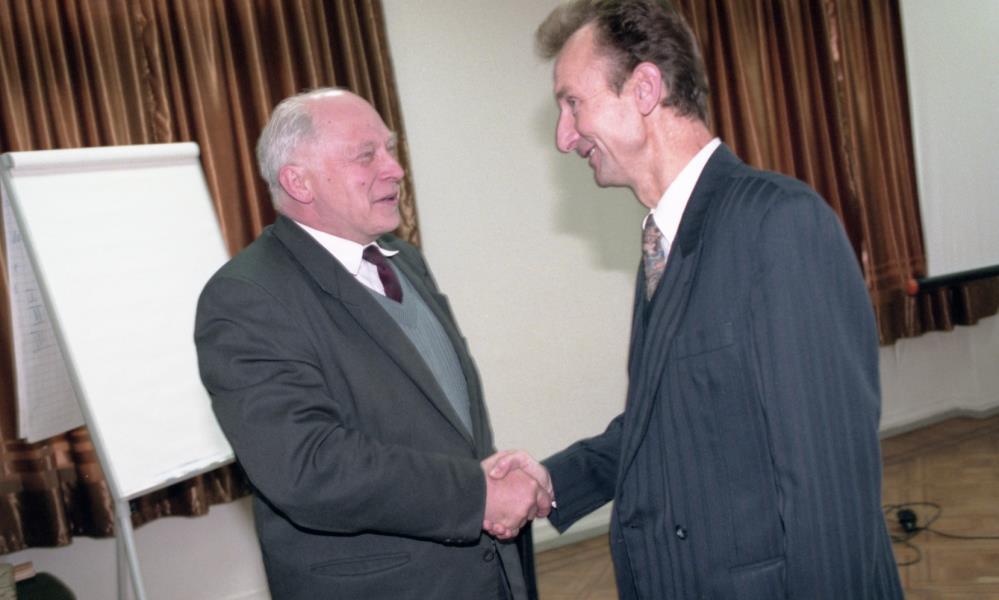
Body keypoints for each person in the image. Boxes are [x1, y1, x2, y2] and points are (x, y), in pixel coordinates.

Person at [490, 1, 904, 598]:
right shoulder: (664, 240)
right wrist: (553, 480)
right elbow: (671, 420)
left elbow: (830, 487)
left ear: (645, 89)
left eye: (573, 103)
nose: (563, 137)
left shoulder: (780, 225)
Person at [194, 88, 549, 600]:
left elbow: (439, 413)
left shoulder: (404, 260)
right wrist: (476, 495)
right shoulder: (246, 296)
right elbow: (307, 466)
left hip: (482, 572)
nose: (395, 169)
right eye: (366, 155)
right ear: (298, 181)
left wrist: (487, 480)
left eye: (390, 148)